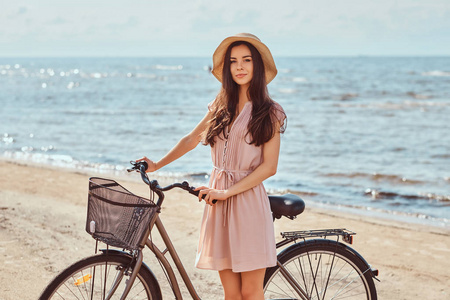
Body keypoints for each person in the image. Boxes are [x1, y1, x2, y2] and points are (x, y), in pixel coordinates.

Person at [138, 33, 286, 300]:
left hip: (247, 202)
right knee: (231, 293)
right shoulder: (221, 105)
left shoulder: (270, 111)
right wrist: (157, 164)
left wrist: (227, 193)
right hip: (217, 203)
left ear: (258, 66)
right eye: (233, 61)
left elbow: (269, 167)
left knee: (250, 292)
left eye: (246, 60)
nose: (239, 67)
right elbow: (192, 138)